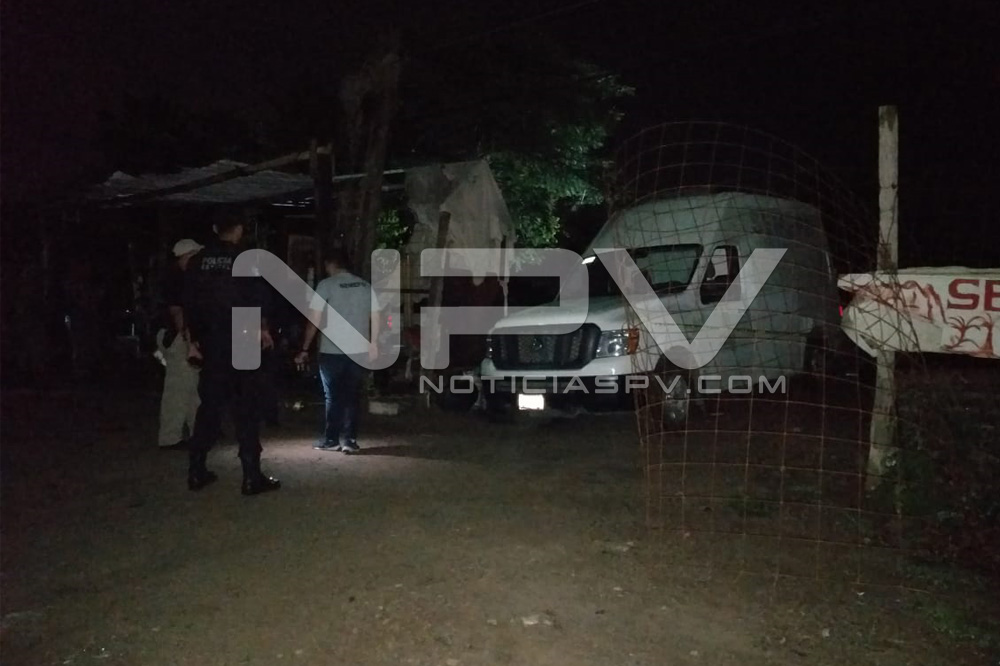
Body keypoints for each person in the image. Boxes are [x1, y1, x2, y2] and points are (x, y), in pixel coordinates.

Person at [183, 212, 280, 495]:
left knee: (209, 407)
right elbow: (261, 298)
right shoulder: (246, 259)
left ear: (216, 228)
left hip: (211, 339)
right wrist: (263, 329)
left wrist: (192, 340)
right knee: (246, 407)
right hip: (243, 333)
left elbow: (189, 303)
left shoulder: (198, 261)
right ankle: (251, 476)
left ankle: (196, 470)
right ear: (238, 229)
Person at [294, 247, 379, 454]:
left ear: (330, 264)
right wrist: (374, 343)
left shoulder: (326, 285)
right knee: (352, 395)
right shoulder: (365, 286)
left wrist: (305, 348)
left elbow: (314, 319)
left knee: (332, 396)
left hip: (332, 350)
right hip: (358, 350)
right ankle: (350, 440)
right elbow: (375, 316)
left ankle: (331, 439)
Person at [155, 238, 203, 450]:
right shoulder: (177, 279)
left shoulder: (178, 277)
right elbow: (177, 313)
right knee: (178, 389)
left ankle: (197, 431)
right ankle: (170, 437)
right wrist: (188, 340)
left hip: (179, 337)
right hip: (178, 338)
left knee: (190, 387)